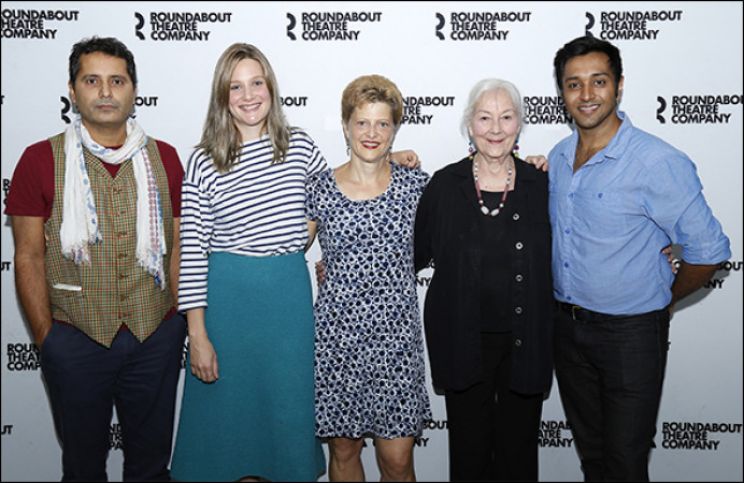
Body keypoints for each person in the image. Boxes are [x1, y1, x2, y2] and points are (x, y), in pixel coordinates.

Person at [169, 44, 419, 482]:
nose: (249, 95)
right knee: (228, 437)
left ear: (271, 87)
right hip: (228, 307)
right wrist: (198, 334)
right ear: (222, 95)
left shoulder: (299, 145)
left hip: (288, 305)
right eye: (236, 87)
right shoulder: (203, 160)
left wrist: (388, 158)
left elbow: (338, 186)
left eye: (257, 83)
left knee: (282, 432)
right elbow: (191, 253)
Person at [549, 35, 732, 481]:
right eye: (574, 84)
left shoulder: (656, 161)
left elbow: (709, 251)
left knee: (626, 463)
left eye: (598, 81)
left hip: (630, 335)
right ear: (562, 93)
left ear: (619, 85)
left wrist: (664, 298)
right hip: (566, 331)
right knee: (593, 458)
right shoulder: (558, 155)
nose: (586, 95)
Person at [5, 37, 186, 481]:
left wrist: (176, 323)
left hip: (154, 337)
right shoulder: (38, 159)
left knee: (150, 467)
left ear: (134, 90)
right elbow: (28, 256)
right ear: (72, 90)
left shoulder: (165, 158)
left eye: (117, 81)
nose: (106, 92)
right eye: (92, 81)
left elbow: (179, 247)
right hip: (75, 340)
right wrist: (49, 340)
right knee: (82, 469)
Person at [413, 79, 554, 481]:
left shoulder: (541, 184)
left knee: (518, 457)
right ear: (469, 124)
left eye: (506, 117)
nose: (495, 129)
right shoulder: (444, 185)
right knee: (469, 457)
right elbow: (411, 255)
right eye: (484, 117)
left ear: (519, 125)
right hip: (461, 342)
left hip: (525, 343)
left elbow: (577, 245)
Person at [306, 74, 431, 482]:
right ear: (346, 126)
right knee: (344, 453)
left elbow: (464, 216)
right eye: (362, 122)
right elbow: (286, 252)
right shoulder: (319, 187)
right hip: (337, 340)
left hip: (396, 343)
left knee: (397, 461)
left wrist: (527, 166)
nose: (372, 133)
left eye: (382, 124)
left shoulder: (416, 185)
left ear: (395, 130)